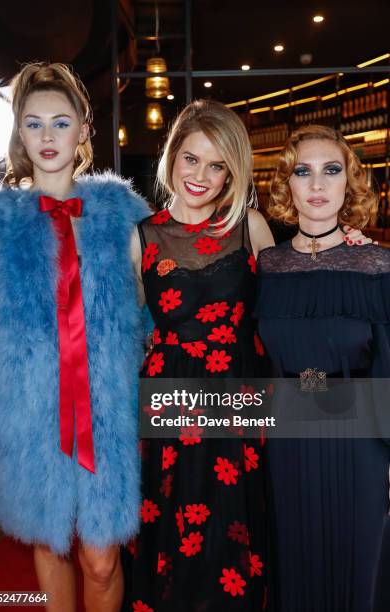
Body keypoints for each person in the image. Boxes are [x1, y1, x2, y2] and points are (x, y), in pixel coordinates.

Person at [128, 102, 368, 611]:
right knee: (176, 540)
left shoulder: (250, 226)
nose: (201, 176)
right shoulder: (141, 237)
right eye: (191, 159)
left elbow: (297, 296)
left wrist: (350, 248)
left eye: (217, 165)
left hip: (243, 402)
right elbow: (121, 333)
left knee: (238, 541)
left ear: (232, 172)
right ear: (172, 157)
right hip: (172, 406)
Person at [0, 62, 147, 612]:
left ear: (83, 130)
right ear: (19, 135)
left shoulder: (122, 214)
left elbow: (155, 313)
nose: (47, 137)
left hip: (108, 411)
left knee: (101, 559)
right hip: (25, 411)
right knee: (49, 544)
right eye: (34, 124)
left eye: (60, 122)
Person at [255, 124, 390, 612]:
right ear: (286, 186)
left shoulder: (377, 265)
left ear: (348, 184)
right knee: (294, 563)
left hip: (361, 443)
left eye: (331, 171)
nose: (316, 184)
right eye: (303, 172)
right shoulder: (268, 266)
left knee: (360, 568)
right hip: (287, 444)